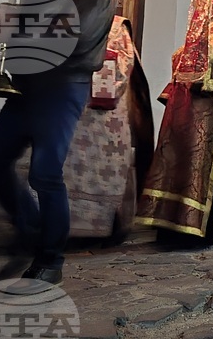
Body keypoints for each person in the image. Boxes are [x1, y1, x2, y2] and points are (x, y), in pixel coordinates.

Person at [0, 0, 115, 284]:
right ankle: (30, 229)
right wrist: (10, 26)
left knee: (45, 173)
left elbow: (78, 38)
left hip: (63, 86)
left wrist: (20, 28)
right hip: (25, 86)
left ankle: (50, 259)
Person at [18, 16, 154, 243]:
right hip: (67, 109)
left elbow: (121, 70)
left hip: (98, 117)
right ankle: (49, 223)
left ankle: (91, 226)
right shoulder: (56, 21)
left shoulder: (115, 26)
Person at [137, 0, 213, 245]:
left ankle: (204, 227)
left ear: (212, 1)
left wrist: (204, 63)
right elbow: (183, 63)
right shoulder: (199, 27)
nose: (195, 5)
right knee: (178, 161)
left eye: (200, 0)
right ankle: (174, 223)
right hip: (185, 107)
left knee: (202, 166)